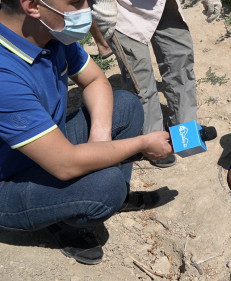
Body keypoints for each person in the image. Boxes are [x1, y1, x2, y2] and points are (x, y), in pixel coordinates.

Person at [0, 0, 173, 265]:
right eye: (77, 2)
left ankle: (87, 198)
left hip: (47, 149)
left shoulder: (48, 32)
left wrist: (100, 141)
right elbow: (64, 164)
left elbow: (95, 80)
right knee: (106, 187)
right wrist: (141, 144)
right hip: (9, 180)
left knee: (126, 105)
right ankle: (62, 222)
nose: (87, 10)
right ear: (33, 6)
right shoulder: (4, 75)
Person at [106, 0, 222, 168]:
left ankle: (185, 131)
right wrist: (103, 7)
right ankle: (153, 139)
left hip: (162, 4)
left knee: (180, 63)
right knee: (140, 80)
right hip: (122, 9)